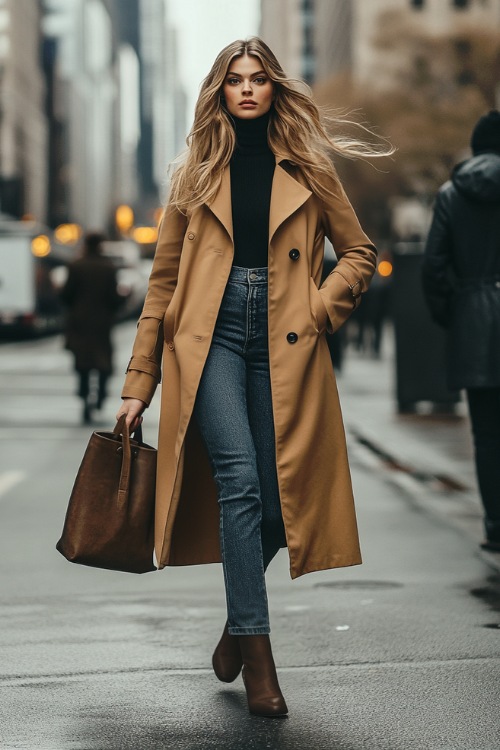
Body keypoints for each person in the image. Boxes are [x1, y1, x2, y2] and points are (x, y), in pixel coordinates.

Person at [117, 37, 385, 717]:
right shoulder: (196, 176)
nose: (245, 89)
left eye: (257, 79)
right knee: (239, 480)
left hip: (286, 336)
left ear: (273, 90)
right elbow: (164, 283)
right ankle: (260, 660)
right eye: (234, 79)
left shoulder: (310, 168)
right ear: (219, 91)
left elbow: (357, 252)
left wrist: (321, 309)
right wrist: (137, 383)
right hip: (210, 341)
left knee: (276, 506)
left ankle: (236, 626)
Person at [422, 110, 500, 553]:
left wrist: (455, 314)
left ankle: (495, 525)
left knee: (487, 434)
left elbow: (434, 268)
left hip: (474, 322)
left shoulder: (453, 193)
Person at [61, 232, 122, 424]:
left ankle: (84, 394)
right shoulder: (108, 268)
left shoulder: (76, 266)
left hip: (80, 322)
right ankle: (101, 394)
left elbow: (66, 295)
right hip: (102, 323)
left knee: (83, 362)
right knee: (103, 361)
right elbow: (114, 299)